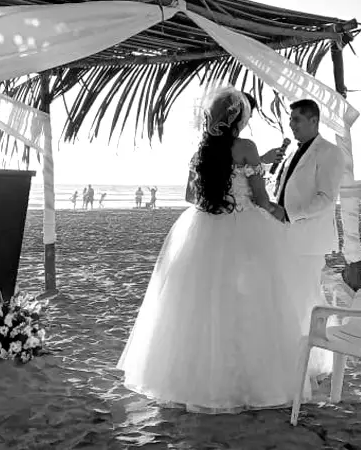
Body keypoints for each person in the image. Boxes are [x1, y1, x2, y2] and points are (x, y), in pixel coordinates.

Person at [117, 87, 313, 413]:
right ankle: (253, 383)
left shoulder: (201, 152)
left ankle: (194, 382)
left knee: (202, 304)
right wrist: (278, 211)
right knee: (254, 303)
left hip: (204, 229)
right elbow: (261, 198)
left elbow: (190, 198)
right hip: (246, 231)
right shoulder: (247, 147)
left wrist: (219, 203)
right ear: (239, 117)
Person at [272, 99, 346, 381]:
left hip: (307, 240)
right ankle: (295, 358)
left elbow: (326, 199)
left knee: (305, 300)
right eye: (291, 120)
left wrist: (288, 213)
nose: (291, 125)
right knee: (291, 298)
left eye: (297, 120)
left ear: (314, 121)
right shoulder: (293, 150)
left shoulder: (329, 152)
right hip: (286, 237)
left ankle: (312, 364)